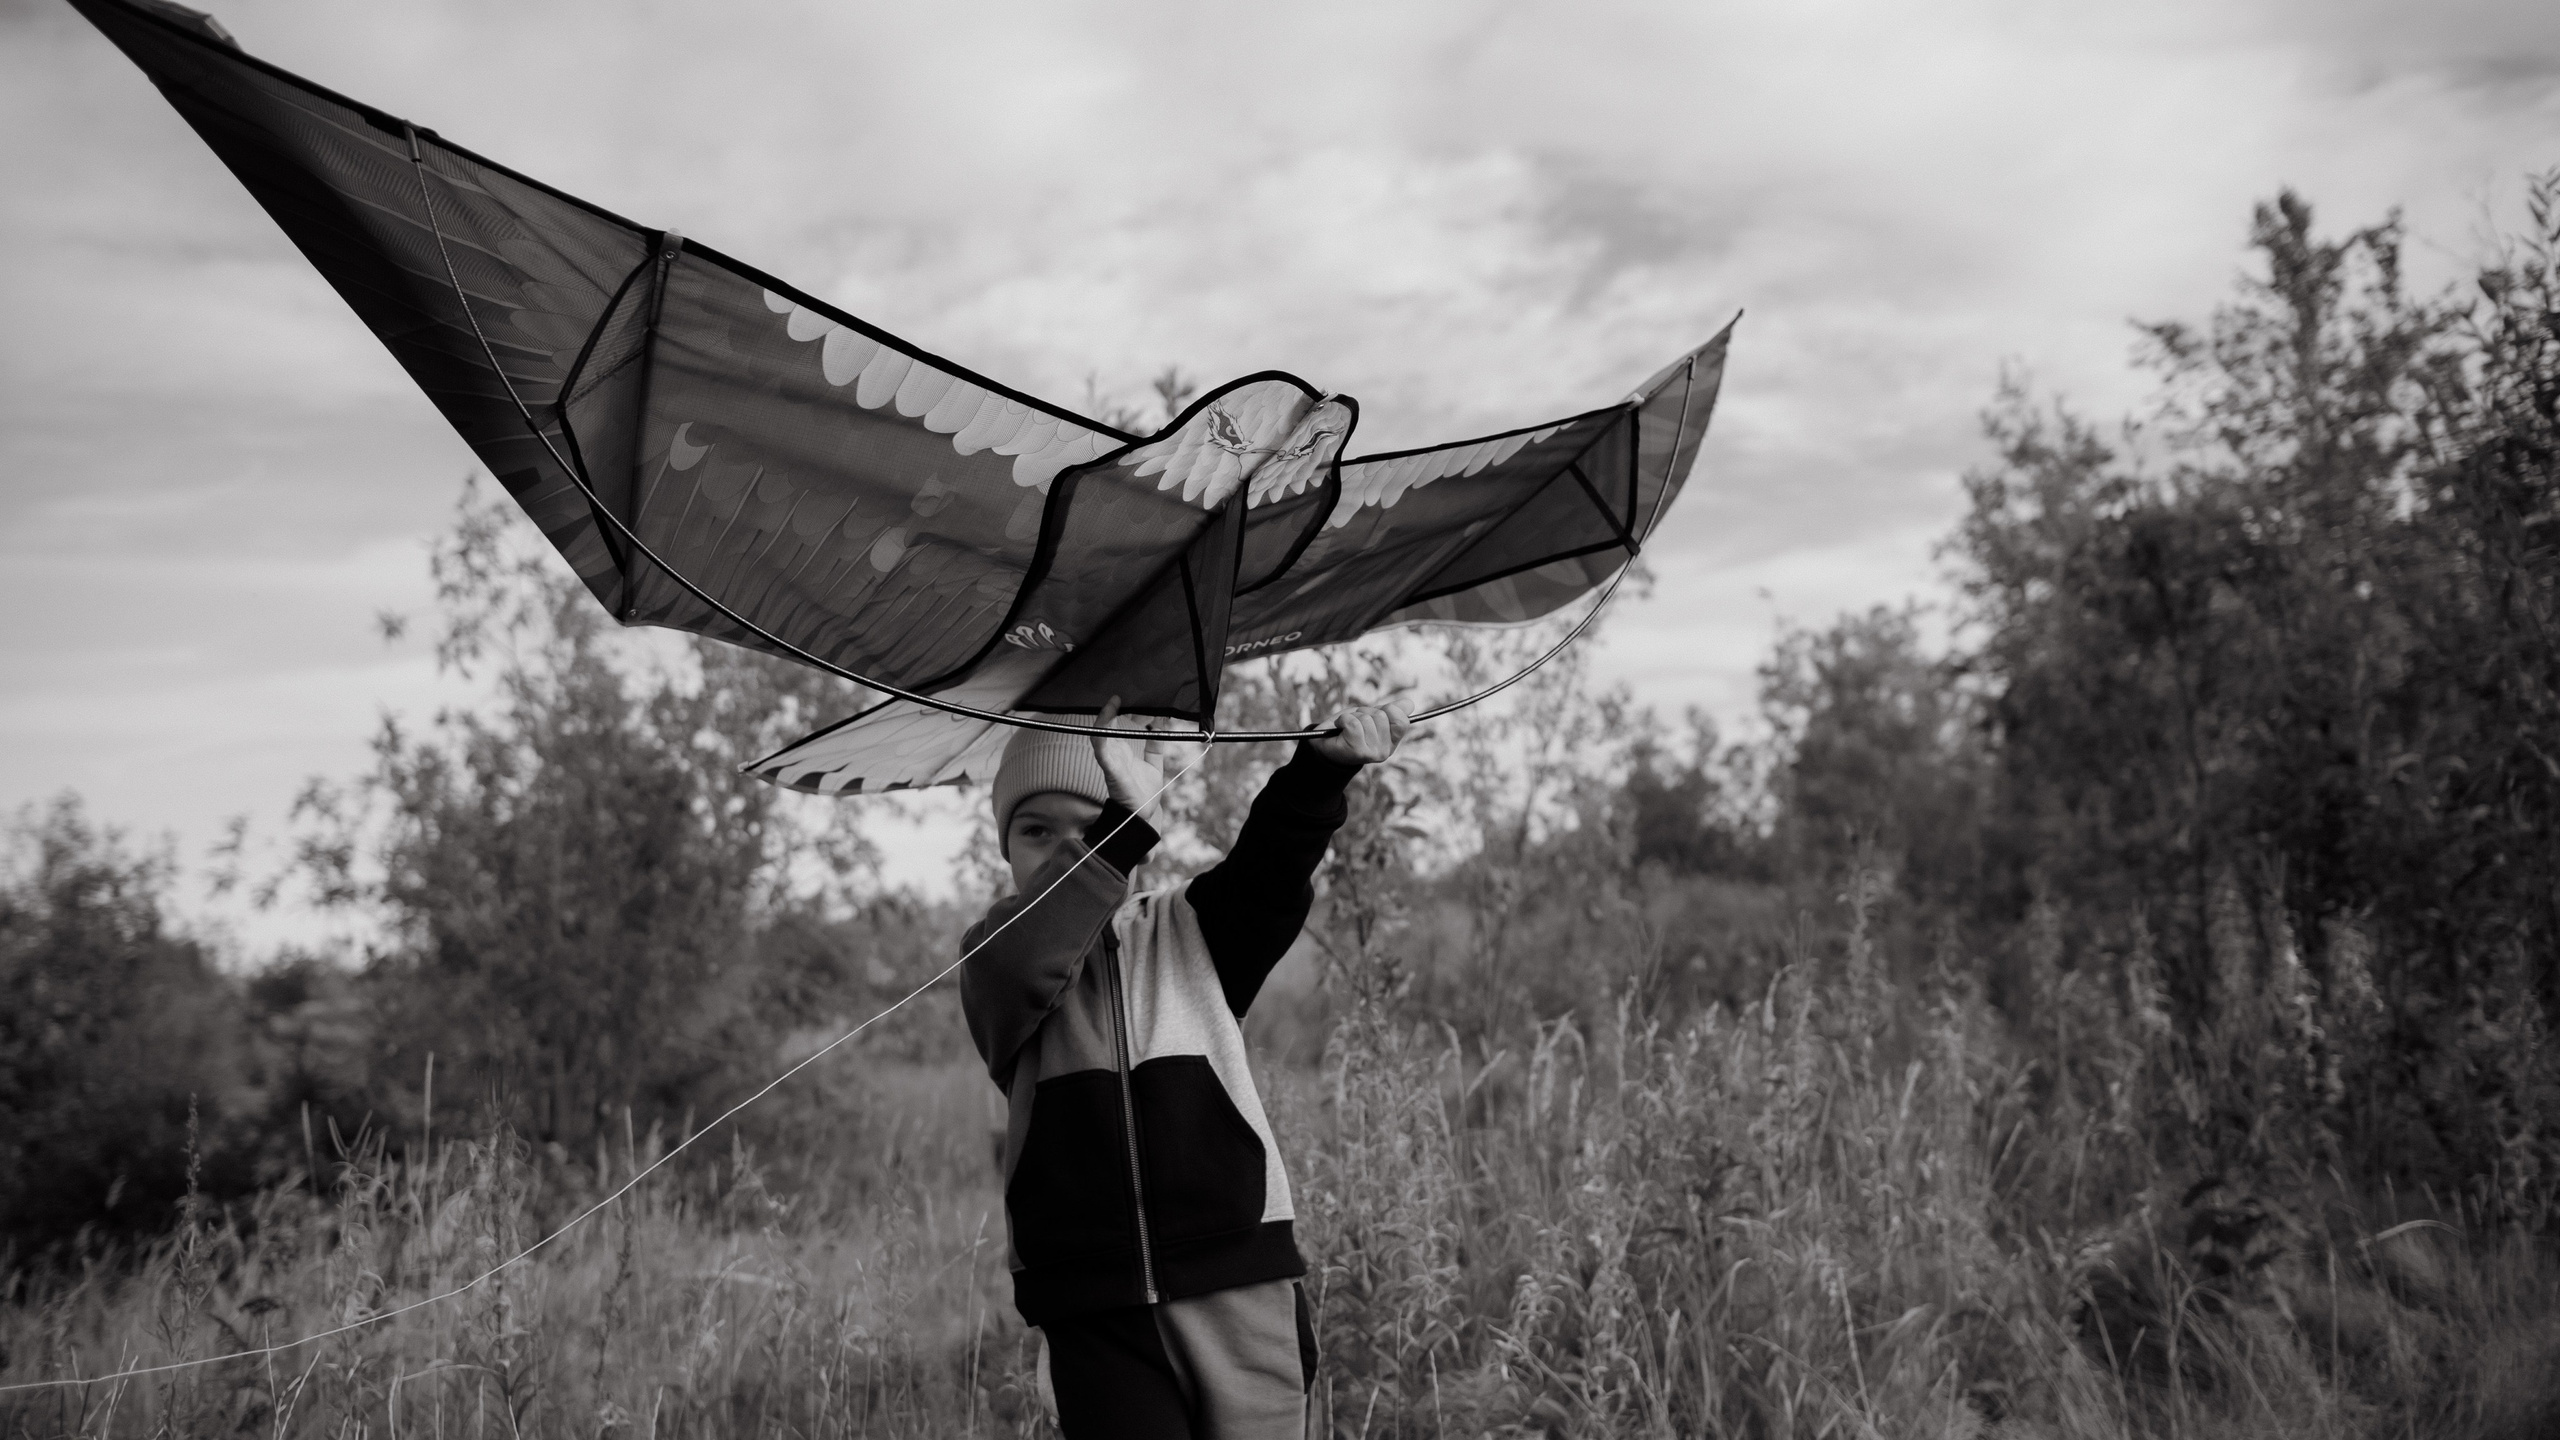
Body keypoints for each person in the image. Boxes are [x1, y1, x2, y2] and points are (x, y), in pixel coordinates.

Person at [960, 698, 1410, 1440]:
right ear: (1005, 847)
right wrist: (1115, 834)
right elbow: (1025, 959)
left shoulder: (1191, 927)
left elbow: (1271, 868)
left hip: (1241, 1285)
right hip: (1093, 1310)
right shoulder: (995, 955)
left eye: (1087, 823)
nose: (1065, 846)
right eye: (1036, 831)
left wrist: (1317, 772)